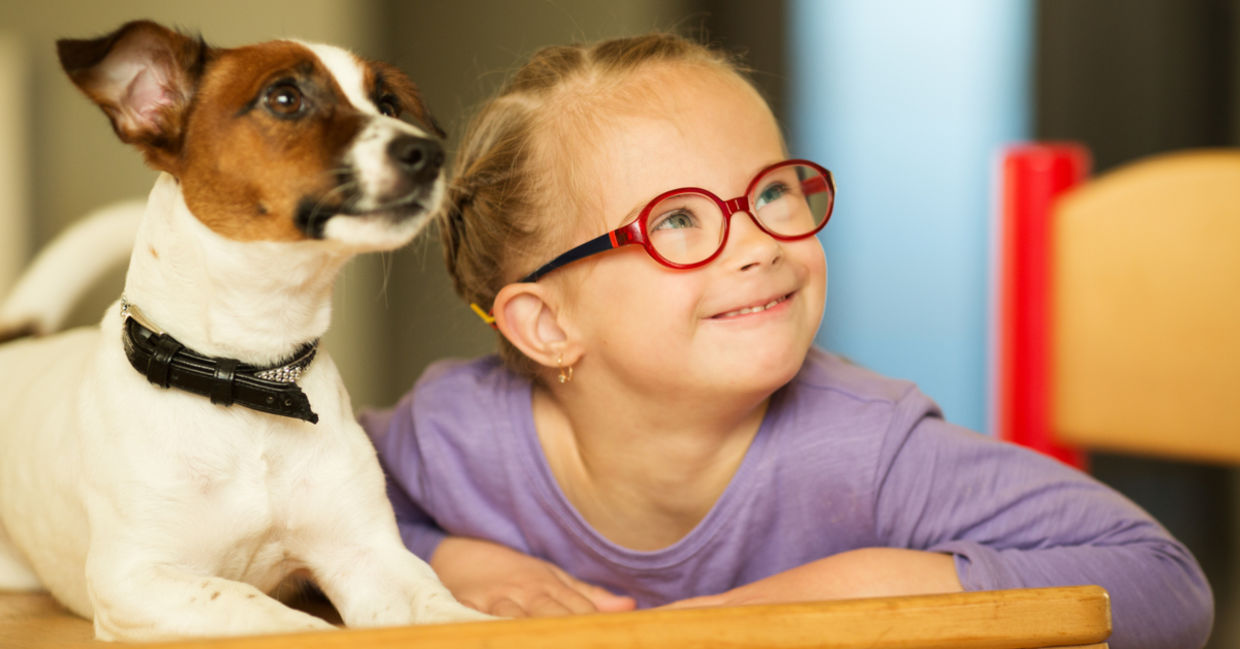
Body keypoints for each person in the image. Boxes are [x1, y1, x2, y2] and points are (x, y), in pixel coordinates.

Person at [359, 33, 1213, 649]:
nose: (761, 241)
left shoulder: (866, 449)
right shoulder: (453, 435)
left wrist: (828, 598)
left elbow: (1164, 584)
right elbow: (270, 512)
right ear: (548, 324)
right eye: (679, 219)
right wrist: (449, 558)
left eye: (773, 192)